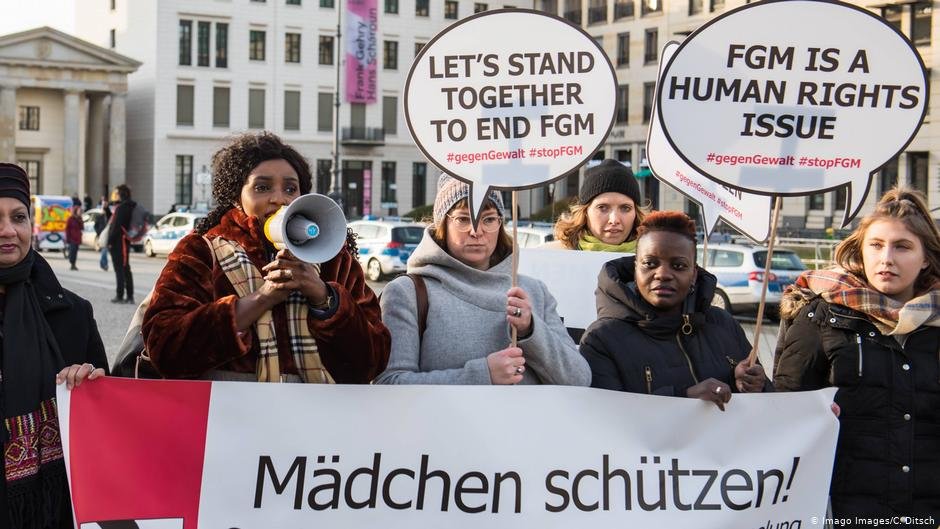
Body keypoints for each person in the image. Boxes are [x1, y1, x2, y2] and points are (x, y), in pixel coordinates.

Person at [141, 132, 389, 383]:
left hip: (317, 418)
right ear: (236, 196)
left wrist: (325, 298)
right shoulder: (201, 251)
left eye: (290, 188)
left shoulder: (334, 260)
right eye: (262, 187)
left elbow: (374, 361)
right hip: (226, 414)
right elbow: (165, 348)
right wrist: (262, 298)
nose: (279, 198)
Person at [773, 188, 940, 519]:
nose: (886, 258)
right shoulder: (821, 313)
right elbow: (785, 407)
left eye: (902, 246)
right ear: (860, 251)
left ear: (925, 259)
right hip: (841, 509)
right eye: (876, 245)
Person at [375, 175, 590, 386]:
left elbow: (579, 379)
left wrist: (531, 330)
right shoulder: (408, 293)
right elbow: (390, 383)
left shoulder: (533, 291)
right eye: (463, 219)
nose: (476, 231)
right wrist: (482, 374)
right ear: (443, 225)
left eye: (488, 219)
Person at [0, 163, 108, 529]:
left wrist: (93, 383)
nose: (8, 231)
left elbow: (104, 418)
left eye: (18, 217)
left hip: (50, 507)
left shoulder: (72, 312)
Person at [581, 211, 770, 409]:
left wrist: (753, 385)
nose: (662, 274)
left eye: (678, 266)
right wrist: (684, 398)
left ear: (694, 274)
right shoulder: (602, 339)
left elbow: (767, 408)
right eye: (650, 264)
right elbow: (604, 420)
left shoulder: (723, 324)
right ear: (635, 267)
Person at [542, 159, 645, 252]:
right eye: (602, 208)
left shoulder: (655, 259)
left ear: (636, 213)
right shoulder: (551, 255)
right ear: (585, 212)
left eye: (625, 208)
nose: (614, 220)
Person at [106, 184, 135, 303]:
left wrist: (110, 241)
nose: (115, 195)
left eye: (117, 193)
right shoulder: (132, 206)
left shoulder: (122, 208)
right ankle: (130, 296)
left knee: (119, 269)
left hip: (118, 242)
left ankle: (120, 295)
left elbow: (116, 226)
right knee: (126, 268)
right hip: (125, 241)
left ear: (122, 194)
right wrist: (106, 209)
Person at [64, 205, 82, 271]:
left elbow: (82, 227)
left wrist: (80, 219)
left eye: (80, 211)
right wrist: (67, 238)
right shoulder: (70, 219)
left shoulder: (80, 218)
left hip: (78, 238)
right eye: (79, 211)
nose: (80, 212)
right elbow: (67, 229)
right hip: (72, 238)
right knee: (72, 251)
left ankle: (73, 264)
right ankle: (72, 263)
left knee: (75, 252)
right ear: (75, 211)